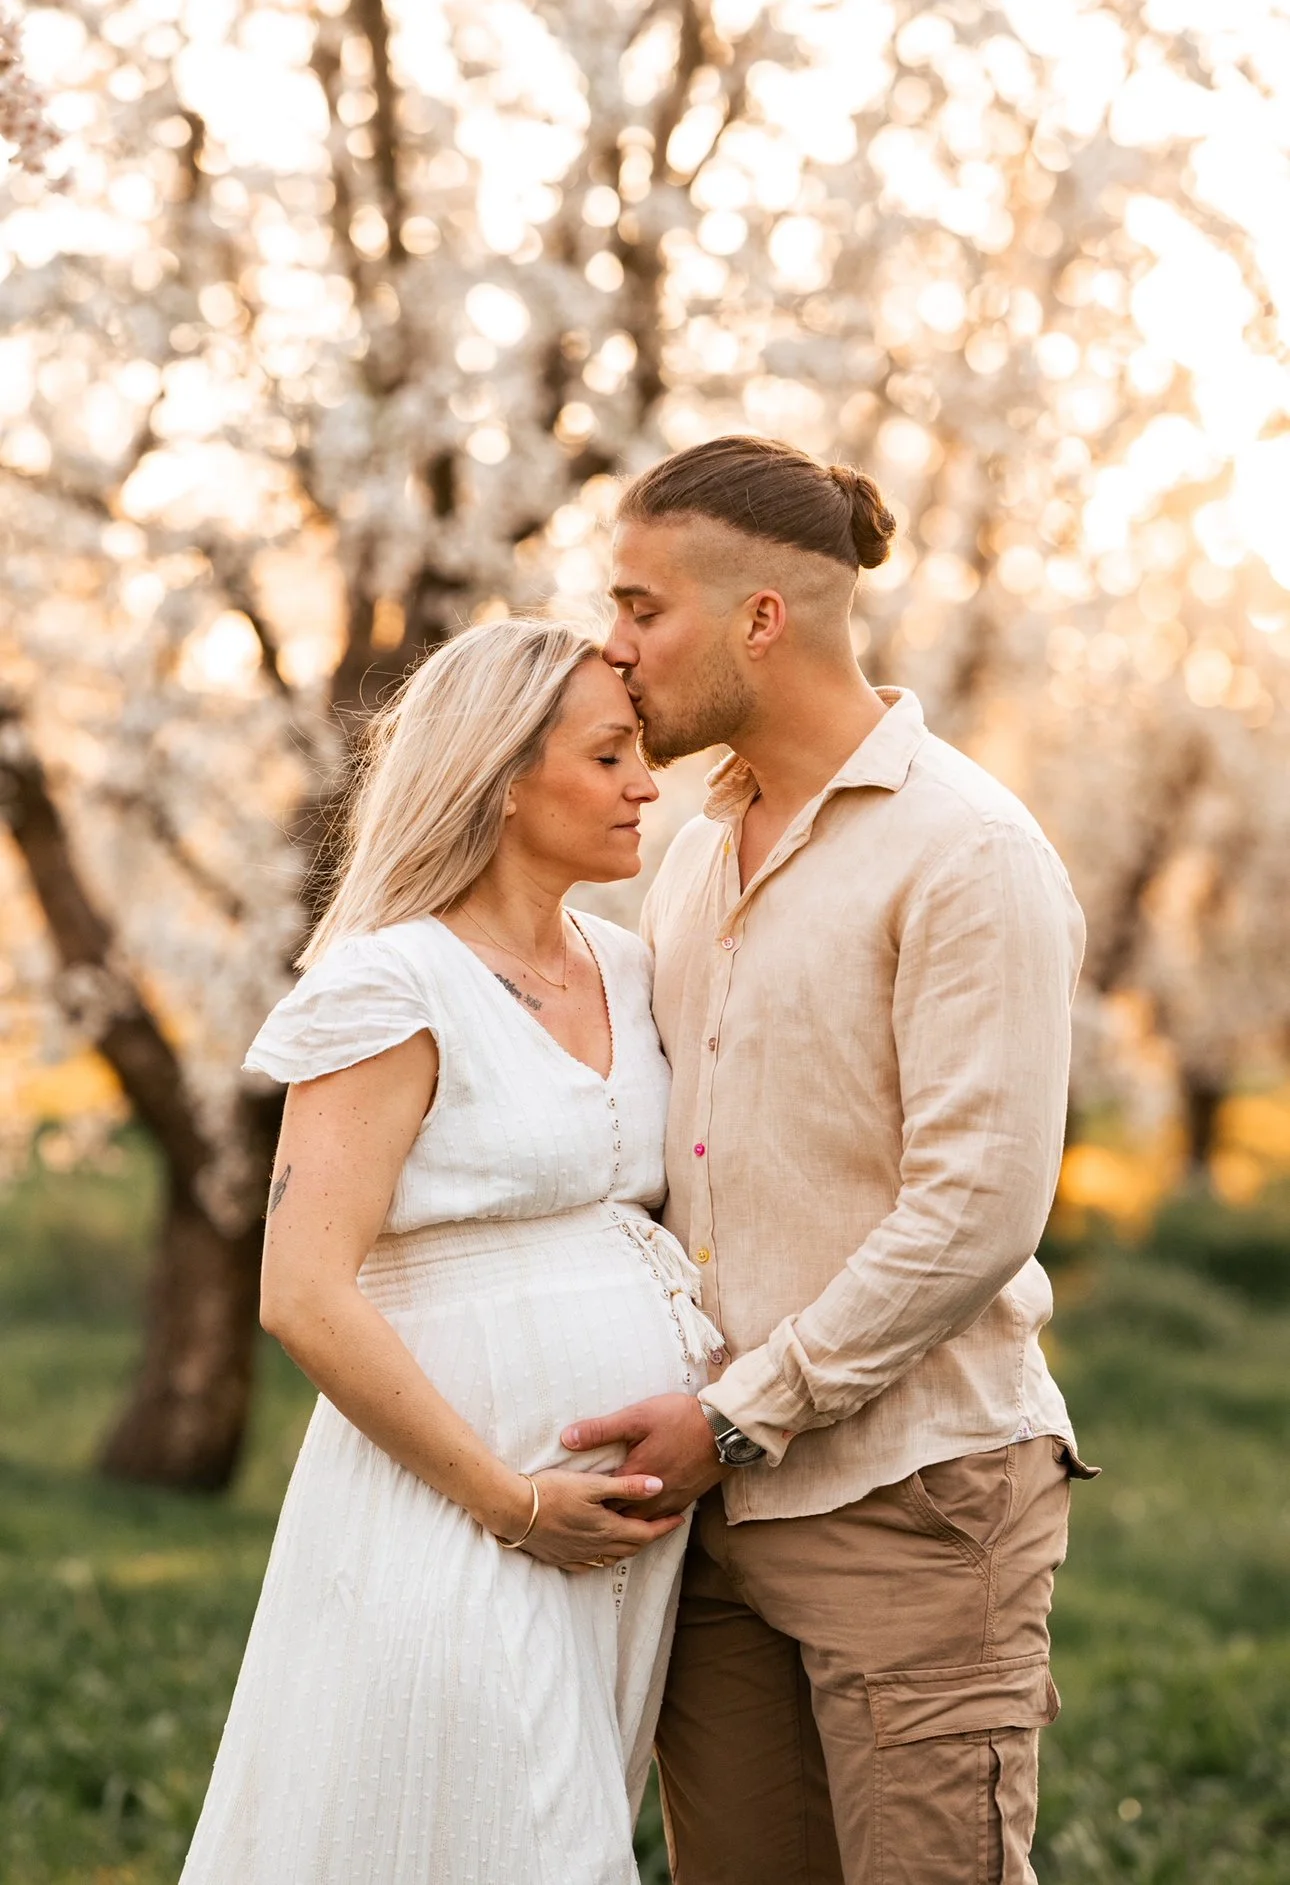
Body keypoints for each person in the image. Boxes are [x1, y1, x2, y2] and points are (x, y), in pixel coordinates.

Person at [562, 434, 1098, 1884]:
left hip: (911, 1505)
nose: (611, 650)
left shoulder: (963, 852)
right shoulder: (689, 855)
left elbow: (975, 1210)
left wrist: (740, 1413)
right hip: (711, 1518)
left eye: (639, 607)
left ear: (760, 618)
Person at [179, 618, 724, 1885]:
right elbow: (302, 1291)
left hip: (614, 1540)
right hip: (459, 1508)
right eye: (609, 754)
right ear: (501, 775)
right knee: (503, 1839)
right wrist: (509, 1498)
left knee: (546, 1818)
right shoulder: (393, 985)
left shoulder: (633, 967)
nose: (648, 781)